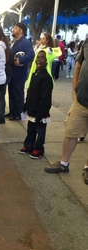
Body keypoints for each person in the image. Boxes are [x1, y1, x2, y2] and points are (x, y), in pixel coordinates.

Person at [44, 38, 88, 184]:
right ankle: (64, 164)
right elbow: (78, 65)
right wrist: (74, 90)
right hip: (81, 101)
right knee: (70, 132)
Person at [19, 50, 53, 159]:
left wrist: (41, 113)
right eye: (38, 57)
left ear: (47, 61)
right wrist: (26, 105)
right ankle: (28, 145)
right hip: (32, 109)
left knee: (40, 131)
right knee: (31, 129)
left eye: (43, 58)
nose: (39, 60)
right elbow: (30, 92)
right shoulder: (34, 75)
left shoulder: (46, 78)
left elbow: (46, 98)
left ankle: (38, 149)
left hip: (40, 111)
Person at [6, 22, 34, 120]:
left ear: (21, 31)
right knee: (12, 94)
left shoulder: (25, 42)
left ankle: (18, 114)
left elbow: (31, 55)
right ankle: (12, 112)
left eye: (16, 28)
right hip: (13, 73)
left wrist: (21, 60)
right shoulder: (15, 42)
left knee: (18, 94)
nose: (13, 29)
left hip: (19, 74)